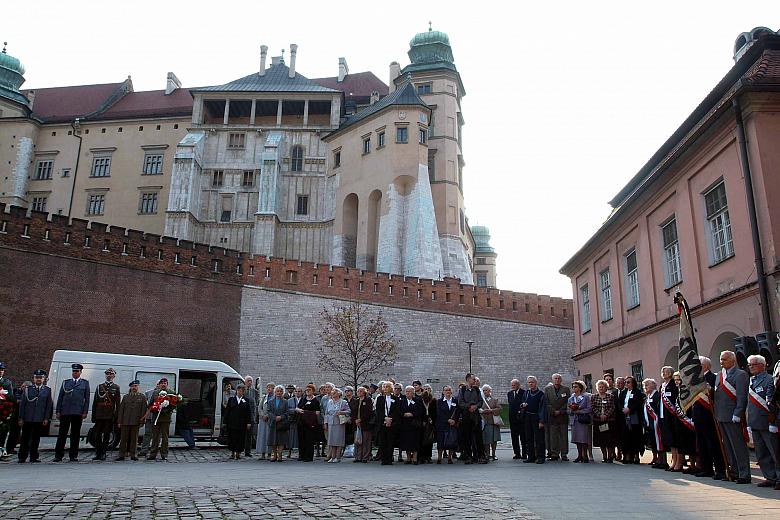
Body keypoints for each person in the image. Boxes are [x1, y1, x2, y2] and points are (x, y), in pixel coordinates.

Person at [715, 350, 751, 484]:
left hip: (732, 416)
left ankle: (744, 474)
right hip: (721, 415)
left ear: (732, 360)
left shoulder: (740, 375)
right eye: (720, 359)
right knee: (728, 446)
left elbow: (741, 397)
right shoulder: (719, 375)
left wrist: (738, 413)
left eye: (724, 359)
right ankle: (734, 471)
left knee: (738, 446)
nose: (721, 362)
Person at [747, 355, 779, 488]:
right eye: (749, 365)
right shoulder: (751, 380)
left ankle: (778, 477)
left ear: (762, 365)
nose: (751, 367)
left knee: (774, 452)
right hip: (755, 421)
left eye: (753, 364)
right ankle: (769, 477)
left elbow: (772, 401)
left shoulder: (769, 380)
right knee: (761, 453)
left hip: (767, 421)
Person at [691, 356, 725, 480]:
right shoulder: (695, 380)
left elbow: (716, 397)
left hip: (709, 416)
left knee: (713, 444)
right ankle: (706, 468)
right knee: (701, 444)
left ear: (705, 365)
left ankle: (720, 469)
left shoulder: (713, 378)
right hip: (698, 416)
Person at [54, 363, 90, 462]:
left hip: (77, 412)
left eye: (77, 371)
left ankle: (73, 455)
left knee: (75, 435)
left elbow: (87, 399)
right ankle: (58, 455)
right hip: (65, 411)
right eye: (74, 371)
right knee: (62, 434)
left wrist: (85, 411)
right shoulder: (66, 383)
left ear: (80, 372)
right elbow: (60, 397)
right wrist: (58, 410)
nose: (75, 373)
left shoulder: (85, 383)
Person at [17, 369, 52, 463]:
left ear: (44, 379)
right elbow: (22, 405)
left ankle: (34, 456)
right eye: (37, 377)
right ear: (34, 378)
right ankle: (22, 457)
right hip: (28, 417)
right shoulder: (28, 389)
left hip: (39, 418)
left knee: (36, 439)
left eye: (41, 378)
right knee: (25, 438)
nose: (38, 379)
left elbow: (48, 406)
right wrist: (20, 418)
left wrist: (46, 418)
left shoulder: (47, 390)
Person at [91, 368, 120, 461]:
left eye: (111, 374)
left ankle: (103, 453)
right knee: (97, 434)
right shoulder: (100, 386)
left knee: (107, 434)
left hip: (109, 415)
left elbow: (118, 403)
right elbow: (95, 402)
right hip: (99, 414)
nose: (109, 375)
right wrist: (94, 416)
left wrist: (117, 417)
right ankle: (98, 452)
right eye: (107, 374)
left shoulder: (116, 387)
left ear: (114, 376)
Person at [457, 373, 486, 464]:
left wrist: (476, 406)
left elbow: (480, 401)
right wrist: (468, 407)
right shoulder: (462, 390)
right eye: (473, 379)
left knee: (478, 437)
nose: (475, 381)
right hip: (466, 415)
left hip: (476, 416)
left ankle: (481, 456)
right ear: (468, 379)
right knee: (467, 437)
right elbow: (460, 402)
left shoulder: (477, 390)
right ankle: (468, 456)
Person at [115, 380, 147, 461]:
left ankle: (133, 455)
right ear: (130, 387)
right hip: (125, 421)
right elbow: (121, 410)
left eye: (136, 386)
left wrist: (142, 421)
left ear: (138, 387)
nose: (134, 388)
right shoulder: (126, 397)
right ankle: (121, 454)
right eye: (133, 386)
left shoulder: (142, 397)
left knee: (134, 439)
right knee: (123, 439)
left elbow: (143, 410)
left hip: (136, 421)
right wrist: (119, 421)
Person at [671, 371, 696, 472]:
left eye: (679, 380)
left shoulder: (687, 390)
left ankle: (693, 464)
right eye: (675, 380)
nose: (677, 382)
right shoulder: (678, 391)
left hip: (688, 420)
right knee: (682, 442)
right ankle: (682, 463)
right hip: (680, 421)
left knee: (691, 442)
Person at [145, 377, 175, 461]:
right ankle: (153, 454)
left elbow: (174, 405)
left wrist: (167, 407)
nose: (163, 384)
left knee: (165, 437)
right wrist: (156, 407)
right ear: (160, 384)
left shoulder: (171, 393)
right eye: (162, 383)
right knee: (155, 437)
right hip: (156, 418)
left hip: (166, 418)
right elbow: (150, 404)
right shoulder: (155, 393)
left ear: (167, 384)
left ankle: (164, 454)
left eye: (165, 383)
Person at [544, 374, 569, 461]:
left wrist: (561, 411)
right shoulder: (547, 389)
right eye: (555, 378)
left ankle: (564, 454)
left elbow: (567, 402)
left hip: (562, 416)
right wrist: (553, 411)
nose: (557, 380)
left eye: (559, 378)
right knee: (553, 436)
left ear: (561, 380)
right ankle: (554, 453)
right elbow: (546, 402)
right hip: (552, 416)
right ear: (552, 380)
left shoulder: (566, 389)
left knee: (563, 436)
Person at [224, 383, 252, 460]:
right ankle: (232, 452)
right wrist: (225, 421)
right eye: (238, 390)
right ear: (236, 391)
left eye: (241, 391)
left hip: (242, 423)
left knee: (240, 438)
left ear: (244, 392)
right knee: (232, 438)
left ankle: (238, 453)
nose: (240, 392)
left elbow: (248, 412)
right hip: (232, 422)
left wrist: (248, 422)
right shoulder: (231, 399)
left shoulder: (246, 400)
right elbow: (227, 411)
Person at [591, 379, 616, 463]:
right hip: (598, 420)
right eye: (600, 387)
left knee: (609, 439)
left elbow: (612, 407)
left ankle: (610, 457)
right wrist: (599, 415)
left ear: (606, 388)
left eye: (603, 387)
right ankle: (604, 456)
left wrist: (606, 415)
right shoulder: (594, 397)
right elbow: (593, 407)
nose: (601, 388)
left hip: (609, 420)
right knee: (601, 440)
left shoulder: (610, 396)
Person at [621, 375, 645, 465]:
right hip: (625, 418)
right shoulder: (623, 393)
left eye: (628, 382)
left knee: (635, 437)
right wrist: (623, 409)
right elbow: (620, 403)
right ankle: (627, 456)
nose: (626, 384)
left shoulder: (637, 392)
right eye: (625, 382)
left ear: (633, 383)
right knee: (626, 437)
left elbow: (638, 403)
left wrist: (630, 409)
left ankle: (636, 456)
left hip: (634, 417)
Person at [656, 366, 676, 470]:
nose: (664, 373)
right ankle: (672, 460)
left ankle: (676, 461)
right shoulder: (662, 386)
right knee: (667, 439)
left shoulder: (673, 385)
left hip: (671, 415)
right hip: (663, 415)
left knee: (673, 439)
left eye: (666, 371)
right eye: (663, 371)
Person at [294, 384, 321, 462]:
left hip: (310, 423)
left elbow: (318, 412)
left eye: (309, 390)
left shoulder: (315, 401)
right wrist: (298, 410)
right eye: (306, 390)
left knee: (309, 440)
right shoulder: (303, 399)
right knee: (301, 439)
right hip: (302, 423)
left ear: (313, 391)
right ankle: (301, 455)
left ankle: (309, 456)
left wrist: (306, 412)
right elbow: (297, 408)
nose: (307, 392)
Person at [376, 382, 400, 465]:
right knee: (382, 441)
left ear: (391, 388)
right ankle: (383, 459)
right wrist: (385, 418)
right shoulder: (380, 398)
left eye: (387, 387)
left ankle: (389, 459)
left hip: (392, 423)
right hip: (382, 422)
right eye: (384, 387)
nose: (385, 388)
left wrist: (391, 419)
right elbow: (378, 411)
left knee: (390, 441)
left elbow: (397, 411)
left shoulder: (396, 399)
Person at [398, 385, 423, 464]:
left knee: (415, 442)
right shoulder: (402, 401)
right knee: (407, 442)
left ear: (413, 393)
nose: (408, 393)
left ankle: (415, 458)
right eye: (407, 391)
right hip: (405, 425)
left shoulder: (418, 400)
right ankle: (408, 458)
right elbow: (399, 411)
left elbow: (421, 411)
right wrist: (404, 414)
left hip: (414, 425)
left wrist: (412, 414)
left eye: (410, 391)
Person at [324, 387, 350, 463]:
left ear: (339, 393)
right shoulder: (329, 402)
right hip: (331, 423)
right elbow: (326, 413)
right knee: (331, 440)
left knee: (338, 440)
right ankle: (332, 456)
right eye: (332, 392)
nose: (333, 394)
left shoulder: (343, 402)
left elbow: (348, 411)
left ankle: (338, 457)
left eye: (334, 392)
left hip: (339, 423)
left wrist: (342, 412)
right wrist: (325, 423)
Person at [567, 380, 591, 463]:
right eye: (573, 387)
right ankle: (579, 455)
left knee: (583, 438)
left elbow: (589, 409)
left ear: (580, 388)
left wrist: (579, 411)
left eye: (576, 387)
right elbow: (568, 410)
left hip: (582, 420)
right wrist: (572, 411)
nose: (574, 388)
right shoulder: (571, 398)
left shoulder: (585, 397)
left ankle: (585, 455)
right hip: (574, 421)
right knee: (577, 439)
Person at [642, 378, 663, 467]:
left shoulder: (657, 396)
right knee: (652, 441)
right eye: (644, 385)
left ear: (654, 385)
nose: (645, 387)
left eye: (647, 385)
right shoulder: (647, 397)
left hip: (656, 422)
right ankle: (655, 457)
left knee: (658, 441)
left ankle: (661, 459)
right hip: (649, 423)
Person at [267, 385, 290, 462]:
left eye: (280, 391)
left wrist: (281, 417)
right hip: (273, 423)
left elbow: (287, 413)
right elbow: (268, 411)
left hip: (282, 423)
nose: (279, 393)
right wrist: (274, 417)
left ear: (282, 392)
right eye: (277, 391)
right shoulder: (270, 401)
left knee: (281, 439)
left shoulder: (285, 402)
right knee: (273, 440)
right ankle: (275, 455)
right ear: (275, 392)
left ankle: (280, 454)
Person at [138, 380, 161, 456]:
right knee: (147, 434)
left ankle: (154, 451)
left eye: (160, 384)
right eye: (157, 384)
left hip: (159, 418)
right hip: (150, 417)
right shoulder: (148, 392)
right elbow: (145, 405)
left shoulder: (165, 393)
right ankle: (144, 450)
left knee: (157, 435)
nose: (158, 385)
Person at [436, 385, 458, 464]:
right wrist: (447, 420)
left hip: (452, 424)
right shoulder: (439, 401)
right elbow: (439, 413)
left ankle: (450, 457)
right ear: (443, 392)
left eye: (449, 390)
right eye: (446, 390)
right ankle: (439, 457)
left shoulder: (455, 401)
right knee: (441, 441)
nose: (447, 392)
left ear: (451, 391)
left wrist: (454, 420)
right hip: (442, 424)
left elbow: (458, 412)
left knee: (451, 441)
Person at [353, 386, 375, 463]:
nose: (359, 392)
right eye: (358, 391)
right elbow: (354, 411)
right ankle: (358, 457)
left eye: (361, 391)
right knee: (358, 441)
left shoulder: (368, 400)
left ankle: (365, 457)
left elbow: (369, 412)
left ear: (364, 392)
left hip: (366, 424)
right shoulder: (356, 401)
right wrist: (356, 419)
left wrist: (361, 419)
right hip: (357, 424)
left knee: (366, 441)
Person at [480, 384, 501, 461]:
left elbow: (499, 409)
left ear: (490, 391)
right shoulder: (481, 400)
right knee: (486, 440)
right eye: (484, 390)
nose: (485, 392)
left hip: (494, 422)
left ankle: (494, 454)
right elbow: (479, 409)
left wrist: (491, 410)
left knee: (494, 440)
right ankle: (487, 454)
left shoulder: (495, 400)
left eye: (486, 390)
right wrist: (482, 411)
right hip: (485, 422)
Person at [507, 378, 527, 460]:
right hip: (512, 419)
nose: (513, 386)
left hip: (521, 419)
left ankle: (524, 453)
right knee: (514, 437)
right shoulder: (509, 394)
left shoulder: (524, 393)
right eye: (512, 385)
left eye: (514, 385)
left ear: (518, 385)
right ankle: (517, 453)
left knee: (523, 437)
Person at [255, 383, 274, 460]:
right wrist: (263, 415)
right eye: (268, 387)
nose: (269, 389)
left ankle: (269, 453)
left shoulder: (274, 398)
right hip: (263, 420)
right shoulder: (264, 397)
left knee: (269, 436)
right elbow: (259, 408)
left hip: (270, 420)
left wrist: (268, 416)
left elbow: (274, 409)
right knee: (262, 436)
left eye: (271, 388)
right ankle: (262, 453)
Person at [419, 388, 437, 463]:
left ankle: (428, 456)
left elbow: (435, 412)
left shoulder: (433, 402)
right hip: (422, 423)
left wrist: (432, 419)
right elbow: (419, 412)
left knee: (429, 440)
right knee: (421, 440)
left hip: (430, 424)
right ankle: (421, 456)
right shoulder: (420, 402)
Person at [243, 375, 259, 458]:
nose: (249, 382)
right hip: (243, 416)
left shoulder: (255, 392)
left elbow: (256, 404)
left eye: (251, 381)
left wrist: (255, 416)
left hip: (251, 416)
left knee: (249, 435)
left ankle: (248, 451)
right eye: (248, 380)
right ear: (245, 381)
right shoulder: (242, 390)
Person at [287, 386, 302, 459]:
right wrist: (294, 410)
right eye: (296, 391)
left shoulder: (304, 400)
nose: (297, 393)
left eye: (299, 391)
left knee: (300, 437)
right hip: (292, 420)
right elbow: (287, 410)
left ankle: (300, 453)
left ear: (301, 392)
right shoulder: (290, 400)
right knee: (291, 437)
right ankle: (289, 452)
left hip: (301, 421)